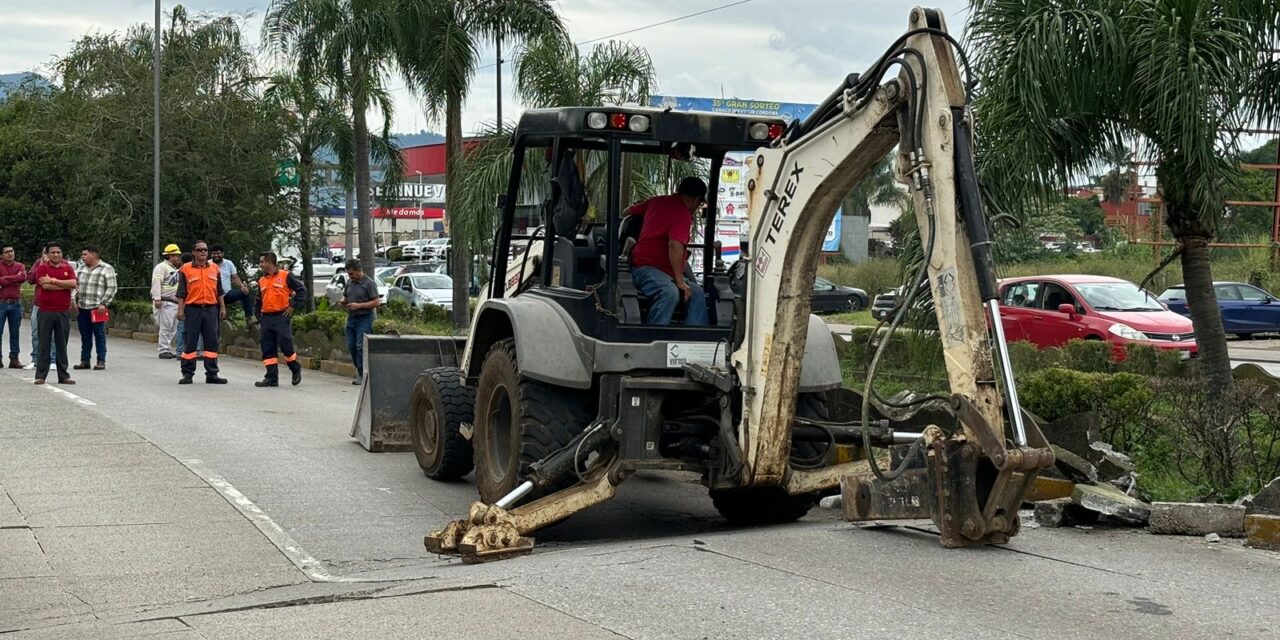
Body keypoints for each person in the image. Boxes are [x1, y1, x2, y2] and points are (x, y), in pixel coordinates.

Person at [626, 176, 709, 326]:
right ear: (696, 199)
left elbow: (627, 211)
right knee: (669, 292)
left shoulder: (656, 201)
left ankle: (695, 340)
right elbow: (675, 246)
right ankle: (655, 338)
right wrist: (680, 281)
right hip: (644, 268)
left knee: (697, 293)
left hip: (664, 271)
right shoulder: (683, 214)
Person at [176, 240, 227, 385]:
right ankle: (187, 374)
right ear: (193, 252)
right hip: (193, 309)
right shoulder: (185, 269)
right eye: (199, 250)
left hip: (211, 309)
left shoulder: (214, 268)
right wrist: (180, 309)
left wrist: (222, 307)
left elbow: (219, 291)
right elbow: (181, 292)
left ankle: (212, 374)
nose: (203, 252)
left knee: (211, 342)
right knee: (190, 342)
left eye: (205, 250)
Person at [254, 252, 306, 388]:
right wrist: (258, 316)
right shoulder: (262, 280)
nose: (260, 265)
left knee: (285, 343)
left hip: (281, 316)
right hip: (266, 317)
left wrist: (292, 306)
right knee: (267, 348)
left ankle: (295, 368)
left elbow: (301, 291)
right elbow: (258, 300)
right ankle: (271, 378)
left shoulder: (285, 275)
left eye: (262, 262)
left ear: (270, 262)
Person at [31, 242, 77, 385]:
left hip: (63, 311)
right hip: (45, 311)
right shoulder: (42, 268)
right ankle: (41, 375)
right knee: (44, 343)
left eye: (58, 252)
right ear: (47, 254)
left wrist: (54, 281)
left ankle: (63, 375)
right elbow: (45, 286)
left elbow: (73, 284)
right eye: (53, 252)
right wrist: (62, 285)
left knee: (62, 343)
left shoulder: (67, 268)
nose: (56, 255)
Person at [73, 244, 117, 371]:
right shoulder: (81, 269)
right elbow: (75, 286)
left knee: (99, 334)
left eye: (85, 254)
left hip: (98, 308)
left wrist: (104, 302)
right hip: (83, 306)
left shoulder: (106, 268)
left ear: (94, 255)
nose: (83, 257)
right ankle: (85, 360)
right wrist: (74, 300)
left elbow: (112, 287)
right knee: (85, 334)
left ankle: (100, 360)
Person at [337, 259, 380, 385]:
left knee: (360, 346)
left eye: (351, 274)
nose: (350, 276)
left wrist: (359, 306)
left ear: (358, 271)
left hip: (365, 318)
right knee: (351, 346)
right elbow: (346, 296)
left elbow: (377, 301)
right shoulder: (350, 283)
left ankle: (362, 373)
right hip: (352, 319)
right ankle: (359, 369)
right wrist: (343, 302)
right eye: (348, 274)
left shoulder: (369, 283)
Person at [24, 247, 55, 369]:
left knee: (53, 333)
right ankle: (35, 358)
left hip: (54, 304)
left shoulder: (62, 264)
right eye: (46, 253)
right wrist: (41, 265)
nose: (50, 255)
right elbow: (31, 279)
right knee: (36, 332)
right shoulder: (38, 263)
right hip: (39, 303)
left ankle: (52, 359)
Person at [151, 244, 183, 359]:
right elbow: (156, 282)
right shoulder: (161, 267)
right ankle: (163, 349)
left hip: (174, 302)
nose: (178, 258)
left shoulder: (174, 269)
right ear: (170, 256)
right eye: (176, 255)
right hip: (165, 301)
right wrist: (157, 298)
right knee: (166, 327)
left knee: (173, 327)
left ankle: (167, 348)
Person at [210, 244, 254, 324]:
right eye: (214, 253)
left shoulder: (228, 263)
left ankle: (249, 318)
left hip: (227, 294)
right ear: (211, 254)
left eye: (218, 253)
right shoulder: (207, 264)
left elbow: (235, 278)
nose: (216, 255)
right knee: (215, 321)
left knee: (244, 293)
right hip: (212, 297)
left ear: (223, 254)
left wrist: (242, 286)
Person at [0, 244, 26, 368]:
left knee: (14, 332)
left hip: (16, 303)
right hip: (1, 302)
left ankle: (14, 359)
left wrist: (4, 279)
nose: (10, 254)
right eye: (7, 252)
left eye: (12, 251)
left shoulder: (20, 266)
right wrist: (14, 279)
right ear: (1, 255)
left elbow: (22, 277)